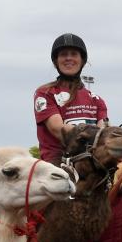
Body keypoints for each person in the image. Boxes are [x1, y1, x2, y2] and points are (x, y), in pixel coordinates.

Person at [33, 33, 108, 164]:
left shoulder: (97, 100)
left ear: (82, 60)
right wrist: (95, 134)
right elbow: (57, 129)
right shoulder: (45, 93)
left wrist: (112, 136)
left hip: (92, 163)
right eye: (63, 54)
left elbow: (104, 132)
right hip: (57, 163)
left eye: (73, 54)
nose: (69, 58)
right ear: (56, 61)